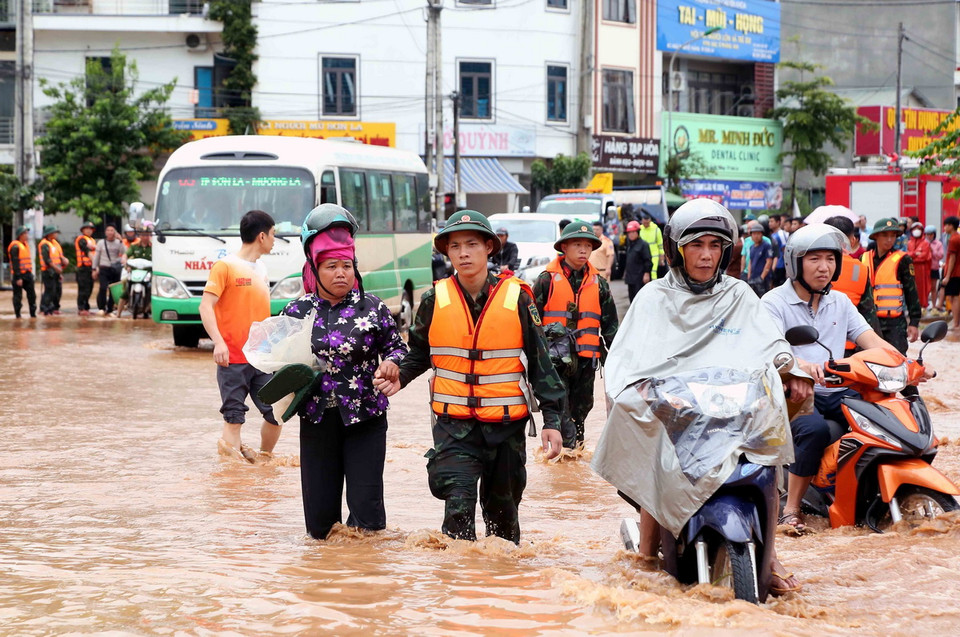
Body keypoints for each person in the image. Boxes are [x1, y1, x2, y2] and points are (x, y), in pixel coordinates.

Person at [592, 198, 805, 596]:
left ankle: (771, 556)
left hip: (731, 406)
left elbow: (769, 342)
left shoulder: (739, 295)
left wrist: (790, 367)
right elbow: (625, 358)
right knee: (656, 445)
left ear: (725, 251)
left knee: (767, 455)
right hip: (676, 409)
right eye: (696, 245)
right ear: (677, 249)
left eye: (714, 245)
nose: (706, 255)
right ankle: (646, 553)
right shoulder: (653, 297)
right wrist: (631, 391)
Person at [374, 210, 565, 544]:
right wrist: (399, 378)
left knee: (503, 525)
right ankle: (458, 587)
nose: (463, 253)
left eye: (472, 244)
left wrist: (552, 420)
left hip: (505, 429)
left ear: (489, 247)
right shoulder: (434, 299)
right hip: (454, 428)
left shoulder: (517, 296)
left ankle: (496, 588)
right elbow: (420, 353)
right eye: (455, 246)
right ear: (447, 252)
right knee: (458, 515)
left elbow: (540, 362)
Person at [761, 224, 917, 532]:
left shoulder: (840, 302)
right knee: (816, 429)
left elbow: (870, 340)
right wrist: (801, 365)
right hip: (795, 395)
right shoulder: (773, 303)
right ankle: (790, 508)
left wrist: (907, 364)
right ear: (795, 263)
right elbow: (771, 349)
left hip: (838, 389)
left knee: (888, 417)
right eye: (814, 259)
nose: (824, 267)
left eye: (830, 259)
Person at [276, 204, 408, 540]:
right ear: (314, 268)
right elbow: (277, 363)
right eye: (331, 266)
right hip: (317, 419)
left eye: (347, 265)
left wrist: (393, 364)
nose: (340, 273)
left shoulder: (373, 307)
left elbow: (399, 347)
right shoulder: (297, 310)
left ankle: (362, 579)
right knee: (319, 527)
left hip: (366, 418)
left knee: (367, 519)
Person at [199, 210, 281, 463]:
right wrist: (219, 343)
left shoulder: (263, 268)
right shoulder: (225, 266)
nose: (275, 240)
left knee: (277, 412)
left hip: (262, 357)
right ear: (261, 236)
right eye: (274, 234)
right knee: (234, 417)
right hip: (233, 358)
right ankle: (232, 480)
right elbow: (205, 306)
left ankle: (265, 459)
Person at [533, 221, 619, 449]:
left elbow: (611, 326)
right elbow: (531, 324)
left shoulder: (599, 284)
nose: (583, 250)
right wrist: (533, 360)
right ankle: (567, 456)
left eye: (588, 246)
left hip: (585, 360)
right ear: (564, 247)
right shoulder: (546, 281)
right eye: (577, 245)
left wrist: (618, 363)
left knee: (581, 410)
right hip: (555, 360)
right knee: (560, 409)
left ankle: (574, 454)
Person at [861, 218, 922, 353]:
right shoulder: (863, 259)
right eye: (885, 235)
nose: (889, 239)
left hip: (894, 324)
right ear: (876, 236)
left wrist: (914, 321)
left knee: (896, 360)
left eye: (893, 236)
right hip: (867, 322)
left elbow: (911, 292)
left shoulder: (903, 260)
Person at [822, 215, 881, 354]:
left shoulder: (813, 266)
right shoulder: (860, 269)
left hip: (818, 346)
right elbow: (868, 311)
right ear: (853, 240)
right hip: (850, 346)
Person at [116, 223, 153, 319]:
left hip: (149, 273)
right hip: (135, 272)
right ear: (140, 235)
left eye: (147, 235)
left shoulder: (154, 247)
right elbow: (125, 255)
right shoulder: (134, 246)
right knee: (125, 290)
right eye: (143, 235)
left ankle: (151, 310)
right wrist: (124, 261)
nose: (145, 237)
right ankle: (118, 314)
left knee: (153, 290)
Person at [92, 225, 126, 316]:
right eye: (108, 230)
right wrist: (94, 269)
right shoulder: (101, 243)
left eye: (112, 230)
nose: (110, 232)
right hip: (104, 268)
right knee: (103, 288)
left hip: (115, 269)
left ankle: (110, 308)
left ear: (115, 232)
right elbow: (96, 257)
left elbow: (124, 253)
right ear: (105, 232)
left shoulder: (118, 242)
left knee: (113, 289)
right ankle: (101, 308)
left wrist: (121, 240)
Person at [7, 225, 36, 319]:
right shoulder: (15, 247)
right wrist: (18, 277)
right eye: (25, 233)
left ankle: (33, 314)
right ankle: (18, 315)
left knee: (32, 295)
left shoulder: (26, 245)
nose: (27, 235)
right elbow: (15, 263)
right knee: (18, 296)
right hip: (19, 275)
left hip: (27, 274)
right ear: (20, 235)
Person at [38, 225, 68, 316]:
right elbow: (47, 260)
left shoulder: (55, 243)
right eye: (55, 233)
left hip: (56, 271)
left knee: (58, 290)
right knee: (50, 290)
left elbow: (59, 256)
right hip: (48, 271)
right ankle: (44, 308)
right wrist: (56, 268)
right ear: (49, 234)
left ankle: (54, 308)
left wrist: (64, 261)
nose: (56, 234)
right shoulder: (44, 244)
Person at [741, 220, 774, 296]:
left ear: (762, 234)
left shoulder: (766, 245)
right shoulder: (752, 247)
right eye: (754, 233)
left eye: (758, 233)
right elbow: (750, 262)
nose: (756, 236)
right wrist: (749, 276)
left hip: (763, 279)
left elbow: (769, 261)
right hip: (753, 278)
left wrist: (762, 277)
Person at [622, 220, 652, 300]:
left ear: (637, 232)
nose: (631, 235)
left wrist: (647, 273)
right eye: (629, 233)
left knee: (640, 299)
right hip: (631, 278)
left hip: (640, 277)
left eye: (633, 232)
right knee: (631, 299)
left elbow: (648, 260)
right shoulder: (629, 245)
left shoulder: (643, 244)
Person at [907, 221, 932, 314]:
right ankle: (913, 307)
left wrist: (913, 256)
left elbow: (925, 256)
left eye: (918, 229)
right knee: (912, 286)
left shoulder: (925, 243)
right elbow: (907, 255)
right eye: (915, 229)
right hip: (911, 268)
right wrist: (914, 254)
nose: (916, 231)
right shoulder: (909, 242)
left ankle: (923, 306)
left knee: (922, 288)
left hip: (922, 269)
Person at [75, 221, 97, 316]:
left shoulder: (92, 240)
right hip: (83, 268)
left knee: (90, 288)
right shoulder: (81, 239)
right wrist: (96, 265)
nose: (89, 230)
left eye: (90, 229)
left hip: (90, 268)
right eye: (86, 228)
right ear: (83, 230)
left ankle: (86, 307)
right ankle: (81, 308)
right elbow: (87, 251)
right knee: (83, 289)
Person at [943, 215, 960, 330]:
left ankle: (955, 323)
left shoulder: (953, 239)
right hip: (956, 272)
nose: (944, 227)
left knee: (954, 298)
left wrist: (947, 276)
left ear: (951, 226)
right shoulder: (957, 237)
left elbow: (952, 258)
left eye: (946, 225)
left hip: (955, 273)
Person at [637, 211, 665, 279]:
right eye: (644, 223)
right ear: (642, 221)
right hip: (642, 256)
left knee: (653, 272)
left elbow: (660, 244)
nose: (646, 224)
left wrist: (661, 258)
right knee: (642, 272)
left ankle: (653, 286)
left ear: (650, 221)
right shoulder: (639, 229)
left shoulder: (656, 230)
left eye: (647, 223)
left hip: (654, 255)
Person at [926, 225, 945, 314]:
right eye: (927, 234)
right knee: (926, 288)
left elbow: (940, 255)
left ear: (934, 234)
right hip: (925, 268)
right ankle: (924, 306)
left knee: (934, 287)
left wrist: (932, 251)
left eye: (931, 234)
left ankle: (933, 305)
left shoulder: (938, 244)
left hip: (934, 267)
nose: (929, 236)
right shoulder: (924, 242)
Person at [769, 214, 789, 286]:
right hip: (773, 264)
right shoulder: (771, 234)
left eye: (772, 221)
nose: (770, 223)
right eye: (769, 222)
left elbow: (784, 249)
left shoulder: (781, 234)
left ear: (778, 222)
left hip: (780, 265)